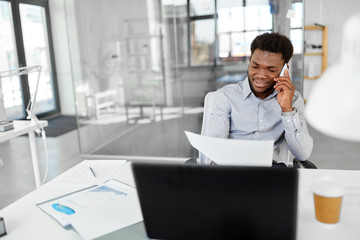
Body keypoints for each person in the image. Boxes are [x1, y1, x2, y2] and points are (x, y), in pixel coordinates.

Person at [206, 32, 313, 165]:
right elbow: (215, 148)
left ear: (284, 69)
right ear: (250, 61)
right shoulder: (226, 96)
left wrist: (287, 109)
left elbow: (302, 154)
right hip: (231, 169)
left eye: (271, 70)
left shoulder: (294, 100)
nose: (261, 75)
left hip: (270, 172)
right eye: (255, 66)